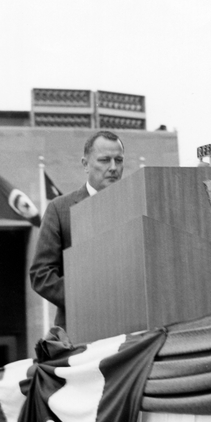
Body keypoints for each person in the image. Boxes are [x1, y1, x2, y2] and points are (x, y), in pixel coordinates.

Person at [29, 130, 125, 327]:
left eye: (119, 160)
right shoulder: (60, 209)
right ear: (85, 165)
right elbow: (41, 274)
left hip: (132, 325)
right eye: (105, 160)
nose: (113, 168)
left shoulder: (136, 202)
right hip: (79, 327)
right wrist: (86, 300)